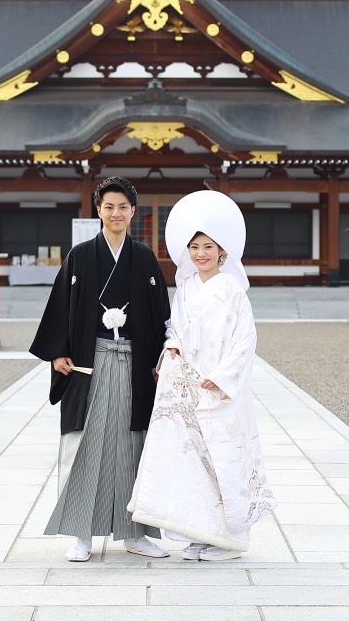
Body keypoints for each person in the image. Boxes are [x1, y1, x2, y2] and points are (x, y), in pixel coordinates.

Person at [127, 189, 276, 561]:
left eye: (208, 246)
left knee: (223, 459)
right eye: (195, 248)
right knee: (191, 460)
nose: (201, 254)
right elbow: (174, 327)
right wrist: (172, 346)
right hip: (189, 386)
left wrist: (223, 377)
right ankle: (202, 531)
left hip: (220, 391)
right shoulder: (188, 287)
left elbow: (245, 339)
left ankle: (231, 540)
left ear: (222, 251)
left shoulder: (233, 290)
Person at [30, 175, 172, 562]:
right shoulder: (79, 255)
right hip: (89, 361)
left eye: (123, 207)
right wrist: (58, 351)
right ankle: (81, 532)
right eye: (108, 206)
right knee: (87, 444)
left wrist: (162, 356)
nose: (116, 213)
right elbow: (60, 306)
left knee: (132, 445)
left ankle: (136, 533)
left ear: (132, 212)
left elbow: (162, 314)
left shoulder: (144, 258)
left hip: (134, 360)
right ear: (98, 210)